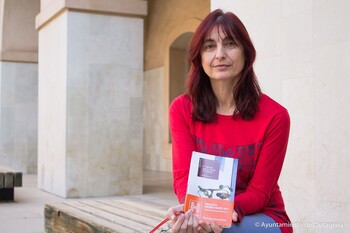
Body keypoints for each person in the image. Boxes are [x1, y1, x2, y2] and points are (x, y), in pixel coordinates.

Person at [167, 9, 292, 233]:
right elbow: (183, 177)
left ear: (246, 53)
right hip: (205, 214)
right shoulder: (181, 109)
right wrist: (193, 213)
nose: (220, 54)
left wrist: (218, 213)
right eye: (210, 46)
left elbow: (260, 193)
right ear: (200, 57)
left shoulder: (275, 116)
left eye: (230, 44)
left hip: (263, 217)